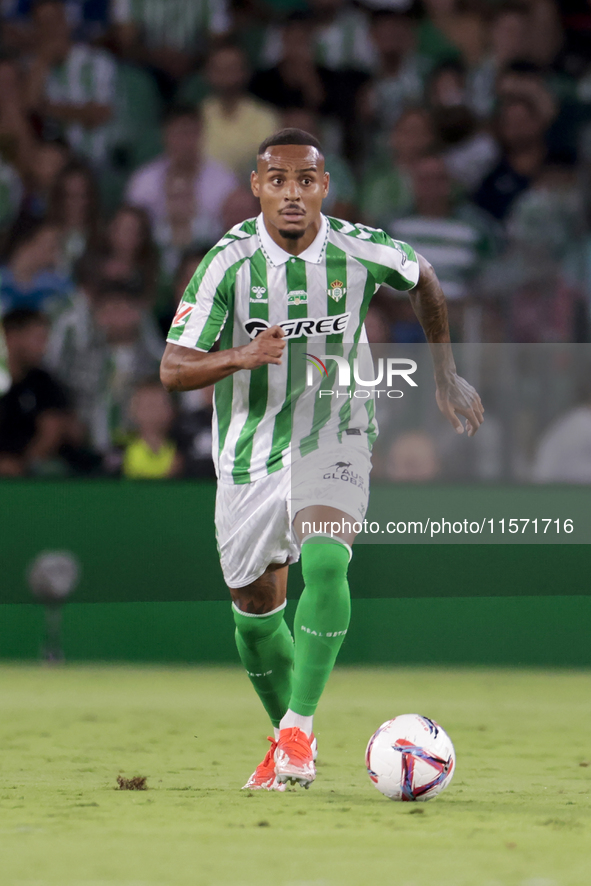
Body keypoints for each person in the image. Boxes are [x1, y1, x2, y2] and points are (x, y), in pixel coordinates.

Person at [160, 128, 483, 791]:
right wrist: (239, 356)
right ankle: (284, 740)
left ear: (322, 187)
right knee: (254, 612)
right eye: (276, 179)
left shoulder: (356, 248)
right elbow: (173, 368)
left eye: (304, 180)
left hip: (335, 423)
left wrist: (444, 374)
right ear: (256, 188)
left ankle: (299, 730)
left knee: (328, 555)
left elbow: (422, 275)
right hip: (249, 443)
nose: (290, 193)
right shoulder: (226, 262)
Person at [125, 106, 238, 237]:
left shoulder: (225, 181)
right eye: (178, 133)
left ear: (202, 134)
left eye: (190, 133)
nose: (185, 141)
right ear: (164, 135)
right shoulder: (143, 181)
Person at [0, 307, 69, 476]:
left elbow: (51, 430)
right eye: (38, 339)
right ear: (13, 337)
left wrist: (22, 464)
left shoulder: (44, 382)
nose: (43, 348)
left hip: (28, 471)